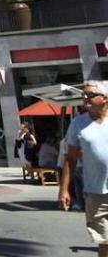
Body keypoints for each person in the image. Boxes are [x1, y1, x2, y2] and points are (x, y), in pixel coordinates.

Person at [60, 81, 108, 255]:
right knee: (104, 242)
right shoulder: (77, 124)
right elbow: (70, 158)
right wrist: (64, 189)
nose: (85, 98)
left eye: (90, 95)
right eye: (83, 95)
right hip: (96, 193)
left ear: (105, 98)